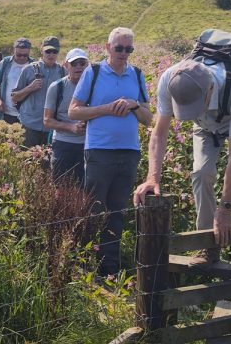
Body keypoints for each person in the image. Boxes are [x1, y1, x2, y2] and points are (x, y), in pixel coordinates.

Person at [134, 54, 231, 265]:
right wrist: (152, 178)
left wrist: (225, 209)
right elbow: (159, 133)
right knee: (201, 173)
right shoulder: (169, 80)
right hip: (207, 126)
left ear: (211, 89)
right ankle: (208, 245)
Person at [68, 27, 152, 278]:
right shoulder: (93, 72)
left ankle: (109, 269)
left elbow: (148, 118)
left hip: (129, 152)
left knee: (117, 212)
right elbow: (74, 111)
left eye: (129, 49)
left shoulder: (137, 74)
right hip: (99, 151)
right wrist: (106, 109)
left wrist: (134, 105)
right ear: (108, 48)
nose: (124, 53)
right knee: (92, 209)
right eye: (119, 48)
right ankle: (83, 266)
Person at [44, 48, 88, 185]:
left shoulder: (94, 87)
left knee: (85, 188)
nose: (78, 67)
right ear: (66, 65)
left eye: (82, 63)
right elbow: (47, 120)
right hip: (63, 144)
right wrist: (71, 127)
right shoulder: (57, 87)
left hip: (88, 144)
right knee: (60, 186)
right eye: (74, 64)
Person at [12, 36, 66, 147]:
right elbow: (14, 97)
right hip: (29, 126)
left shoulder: (63, 72)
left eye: (54, 51)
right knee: (27, 157)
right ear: (42, 51)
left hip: (51, 127)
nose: (51, 55)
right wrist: (30, 88)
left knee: (47, 158)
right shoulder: (29, 69)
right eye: (48, 51)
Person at [0, 38, 34, 124]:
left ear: (29, 52)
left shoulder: (35, 65)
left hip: (27, 114)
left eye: (25, 55)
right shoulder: (5, 63)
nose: (22, 57)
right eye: (19, 55)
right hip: (6, 112)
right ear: (13, 50)